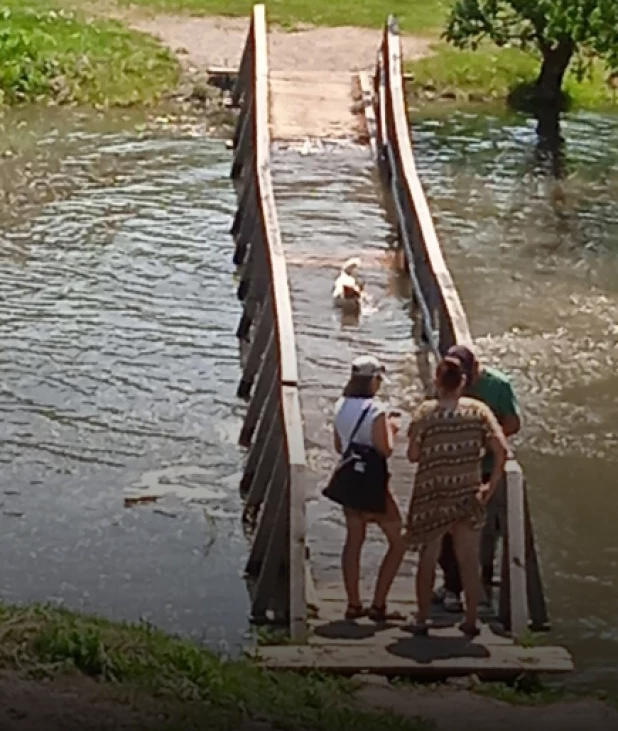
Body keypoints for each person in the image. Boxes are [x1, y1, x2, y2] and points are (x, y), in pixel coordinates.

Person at [404, 355, 509, 635]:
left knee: (429, 556)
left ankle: (422, 618)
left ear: (437, 380)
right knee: (468, 559)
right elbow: (502, 449)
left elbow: (413, 456)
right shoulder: (478, 411)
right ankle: (471, 620)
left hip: (433, 495)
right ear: (462, 381)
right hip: (467, 495)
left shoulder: (425, 413)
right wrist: (491, 485)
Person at [433, 344, 522, 612]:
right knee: (445, 531)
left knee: (479, 533)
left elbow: (513, 423)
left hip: (482, 467)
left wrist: (487, 443)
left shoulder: (498, 386)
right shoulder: (445, 379)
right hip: (450, 467)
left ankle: (477, 592)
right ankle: (452, 586)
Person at [333, 354, 405, 622]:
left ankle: (353, 604)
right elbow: (385, 449)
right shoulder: (377, 411)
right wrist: (393, 428)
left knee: (354, 542)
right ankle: (378, 604)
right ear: (374, 380)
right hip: (374, 485)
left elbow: (340, 447)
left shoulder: (340, 405)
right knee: (399, 541)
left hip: (351, 481)